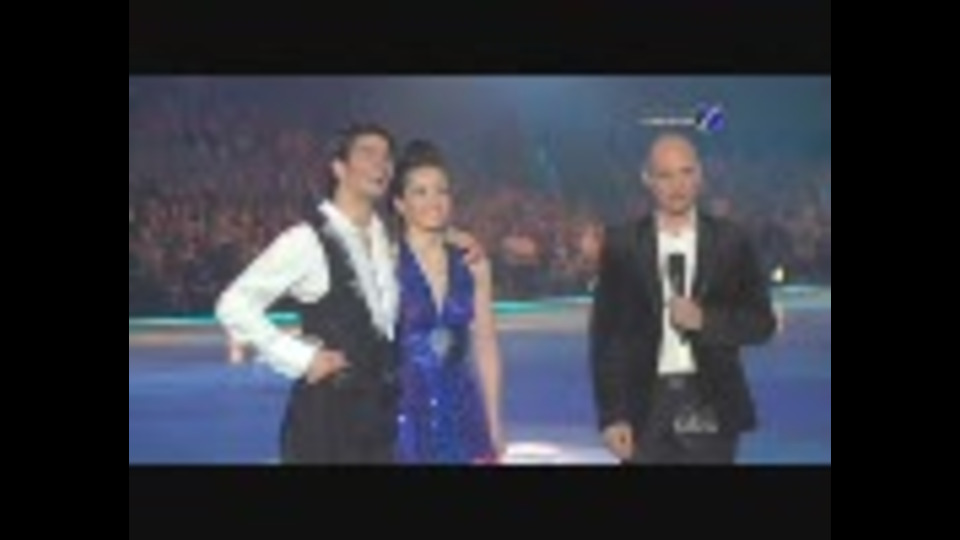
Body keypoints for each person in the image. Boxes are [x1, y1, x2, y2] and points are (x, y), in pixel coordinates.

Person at [215, 123, 484, 464]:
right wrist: (301, 358)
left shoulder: (386, 239)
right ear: (339, 168)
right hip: (327, 422)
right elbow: (234, 304)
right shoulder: (307, 240)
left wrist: (457, 239)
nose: (380, 164)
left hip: (383, 421)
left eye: (386, 157)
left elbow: (426, 236)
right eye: (367, 153)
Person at [588, 132, 776, 465]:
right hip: (644, 404)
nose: (678, 185)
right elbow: (606, 336)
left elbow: (762, 322)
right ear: (647, 179)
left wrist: (705, 321)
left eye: (686, 172)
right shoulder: (622, 244)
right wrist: (612, 415)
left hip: (710, 400)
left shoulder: (731, 241)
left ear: (700, 175)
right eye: (665, 175)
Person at [390, 140, 505, 464]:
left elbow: (486, 345)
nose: (434, 201)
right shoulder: (385, 261)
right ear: (400, 204)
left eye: (442, 190)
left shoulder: (473, 262)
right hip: (402, 417)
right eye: (420, 192)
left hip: (464, 413)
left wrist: (494, 422)